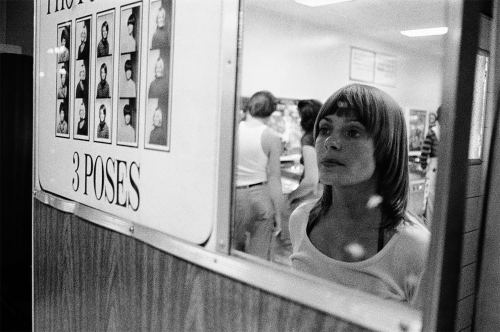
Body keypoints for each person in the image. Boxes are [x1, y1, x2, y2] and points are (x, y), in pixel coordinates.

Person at [289, 84, 429, 306]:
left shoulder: (415, 247)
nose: (330, 143)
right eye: (325, 129)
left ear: (386, 147)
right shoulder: (301, 220)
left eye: (352, 132)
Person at [233, 90, 285, 260]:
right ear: (270, 112)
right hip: (261, 195)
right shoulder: (271, 137)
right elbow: (274, 177)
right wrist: (278, 212)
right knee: (259, 258)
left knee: (232, 253)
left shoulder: (233, 131)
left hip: (236, 196)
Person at [287, 99, 322, 208]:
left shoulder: (308, 138)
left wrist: (290, 197)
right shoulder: (325, 135)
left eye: (298, 117)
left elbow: (311, 180)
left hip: (312, 196)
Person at [420, 106, 441, 223]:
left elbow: (424, 153)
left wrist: (423, 166)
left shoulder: (432, 132)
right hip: (444, 169)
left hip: (433, 169)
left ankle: (429, 226)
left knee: (430, 200)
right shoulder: (450, 132)